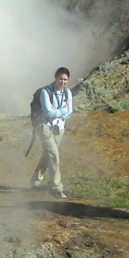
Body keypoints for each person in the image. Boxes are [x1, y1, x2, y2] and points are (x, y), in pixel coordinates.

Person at [31, 67, 73, 199]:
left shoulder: (68, 93)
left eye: (65, 79)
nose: (62, 82)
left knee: (48, 154)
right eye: (60, 78)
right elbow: (48, 112)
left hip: (59, 128)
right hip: (46, 127)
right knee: (54, 155)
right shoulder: (45, 92)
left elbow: (70, 111)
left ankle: (35, 181)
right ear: (55, 78)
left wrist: (58, 111)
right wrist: (62, 111)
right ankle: (56, 187)